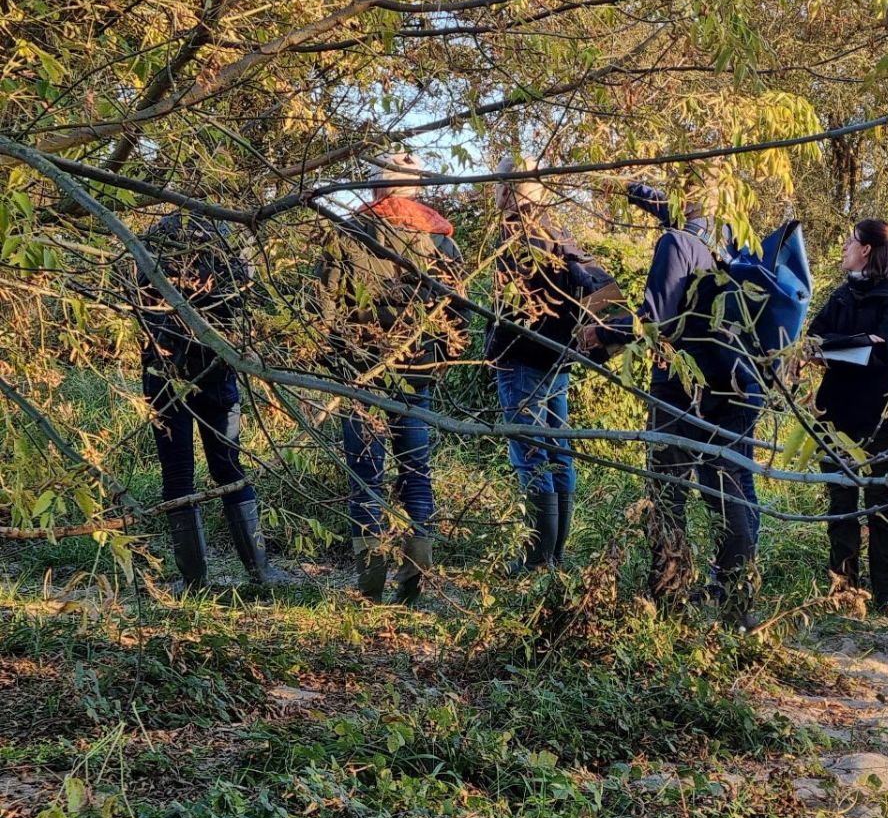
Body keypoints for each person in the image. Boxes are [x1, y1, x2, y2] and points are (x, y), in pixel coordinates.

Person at [318, 152, 465, 606]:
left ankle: (370, 587)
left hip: (360, 374)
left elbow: (323, 309)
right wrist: (437, 363)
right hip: (417, 375)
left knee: (365, 477)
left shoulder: (347, 233)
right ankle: (413, 584)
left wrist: (337, 362)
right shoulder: (441, 240)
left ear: (376, 186)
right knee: (416, 473)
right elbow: (458, 316)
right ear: (415, 188)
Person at [628, 182, 765, 626]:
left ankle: (668, 598)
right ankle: (737, 601)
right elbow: (672, 208)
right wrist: (630, 189)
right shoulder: (727, 242)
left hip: (681, 387)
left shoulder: (677, 243)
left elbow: (655, 319)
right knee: (728, 488)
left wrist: (601, 332)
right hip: (735, 383)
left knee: (667, 491)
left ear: (684, 200)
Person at [135, 211, 289, 591]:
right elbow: (242, 304)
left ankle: (193, 581)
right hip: (214, 369)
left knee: (178, 475)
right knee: (228, 468)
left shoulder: (150, 243)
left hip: (165, 374)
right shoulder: (226, 243)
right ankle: (260, 573)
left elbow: (140, 306)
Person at [808, 219, 888, 616]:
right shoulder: (842, 295)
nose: (844, 246)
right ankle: (843, 589)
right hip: (835, 413)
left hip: (881, 416)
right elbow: (813, 340)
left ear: (867, 249)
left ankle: (887, 594)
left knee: (879, 502)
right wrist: (853, 345)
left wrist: (840, 350)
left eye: (850, 241)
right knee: (840, 502)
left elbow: (882, 355)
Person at [487, 159, 586, 573]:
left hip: (523, 360)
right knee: (558, 452)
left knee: (531, 455)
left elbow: (509, 309)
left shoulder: (515, 235)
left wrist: (492, 351)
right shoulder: (559, 231)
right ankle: (555, 556)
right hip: (558, 360)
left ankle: (536, 560)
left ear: (507, 189)